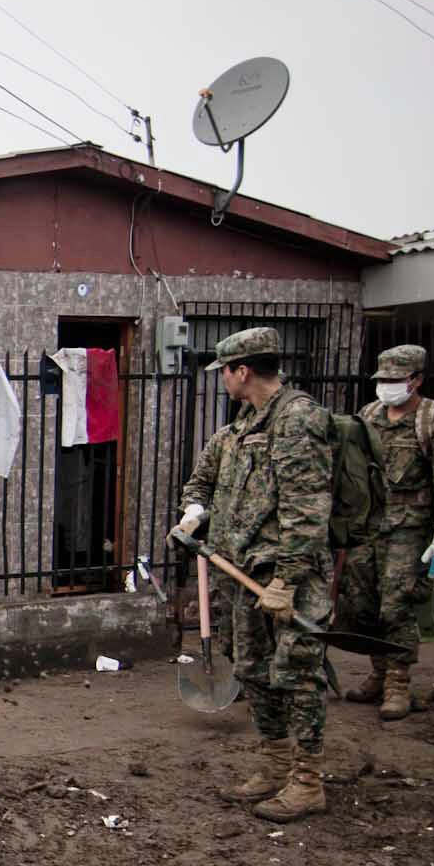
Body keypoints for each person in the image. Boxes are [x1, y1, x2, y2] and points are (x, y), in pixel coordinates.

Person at [172, 328, 334, 823]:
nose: (222, 380)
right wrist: (193, 515)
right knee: (253, 671)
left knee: (298, 675)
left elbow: (308, 508)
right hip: (239, 575)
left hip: (285, 579)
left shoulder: (298, 419)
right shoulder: (238, 430)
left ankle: (307, 781)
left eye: (224, 371)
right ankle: (274, 763)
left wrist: (287, 581)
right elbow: (201, 480)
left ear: (241, 370)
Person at [336, 344, 434, 720]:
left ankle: (398, 681)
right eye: (383, 380)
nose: (388, 387)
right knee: (361, 601)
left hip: (410, 528)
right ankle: (378, 673)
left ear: (416, 380)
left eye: (396, 380)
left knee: (398, 603)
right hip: (369, 525)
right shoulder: (368, 416)